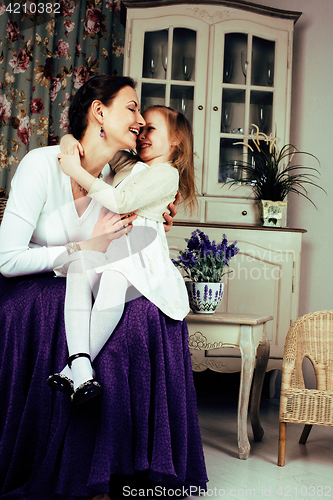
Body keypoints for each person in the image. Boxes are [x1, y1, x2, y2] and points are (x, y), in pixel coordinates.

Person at [0, 75, 207, 500]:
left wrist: (153, 221)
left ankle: (127, 466)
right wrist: (80, 246)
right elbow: (7, 260)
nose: (139, 122)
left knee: (144, 311)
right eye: (133, 110)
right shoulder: (43, 165)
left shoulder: (120, 173)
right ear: (99, 113)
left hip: (94, 270)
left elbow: (142, 199)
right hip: (37, 279)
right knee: (73, 301)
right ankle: (74, 459)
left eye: (146, 121)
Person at [50, 104, 197, 406]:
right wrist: (68, 144)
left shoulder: (167, 174)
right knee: (78, 268)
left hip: (138, 248)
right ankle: (79, 367)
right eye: (140, 129)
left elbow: (120, 200)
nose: (141, 135)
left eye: (151, 129)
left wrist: (74, 170)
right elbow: (89, 142)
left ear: (177, 139)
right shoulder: (127, 163)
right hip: (111, 239)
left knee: (116, 277)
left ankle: (74, 367)